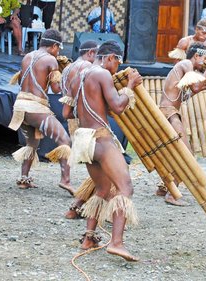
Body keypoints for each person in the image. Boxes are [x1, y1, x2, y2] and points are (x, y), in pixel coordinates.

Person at [67, 40, 143, 261]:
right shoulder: (102, 74)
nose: (117, 67)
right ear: (110, 57)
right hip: (99, 139)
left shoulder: (79, 74)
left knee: (102, 188)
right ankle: (117, 243)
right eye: (118, 62)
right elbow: (118, 106)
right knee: (125, 187)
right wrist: (129, 86)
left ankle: (89, 237)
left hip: (83, 139)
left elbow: (68, 111)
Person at [7, 29, 73, 195]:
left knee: (32, 143)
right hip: (35, 108)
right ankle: (65, 180)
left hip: (20, 105)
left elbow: (22, 80)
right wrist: (66, 77)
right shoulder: (50, 60)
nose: (58, 52)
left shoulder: (27, 56)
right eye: (59, 49)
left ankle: (24, 178)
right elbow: (56, 89)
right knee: (64, 139)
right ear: (54, 46)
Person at [156, 43, 206, 205]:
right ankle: (171, 194)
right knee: (186, 153)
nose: (205, 63)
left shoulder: (185, 68)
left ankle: (164, 187)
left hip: (169, 112)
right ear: (196, 56)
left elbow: (186, 94)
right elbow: (196, 86)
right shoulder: (186, 64)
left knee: (173, 153)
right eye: (204, 59)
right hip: (169, 113)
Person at [59, 40, 99, 220]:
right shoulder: (85, 67)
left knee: (96, 166)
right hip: (84, 118)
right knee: (99, 166)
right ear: (91, 53)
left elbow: (66, 102)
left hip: (73, 116)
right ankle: (80, 204)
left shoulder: (68, 68)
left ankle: (77, 204)